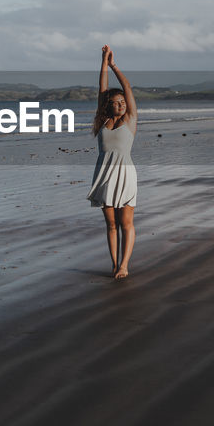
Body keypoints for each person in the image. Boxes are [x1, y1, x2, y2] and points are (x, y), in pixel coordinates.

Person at [87, 45, 137, 279]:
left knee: (125, 221)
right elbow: (102, 89)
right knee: (110, 224)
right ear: (108, 104)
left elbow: (126, 87)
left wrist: (114, 65)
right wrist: (103, 62)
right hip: (105, 175)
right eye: (116, 102)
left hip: (125, 175)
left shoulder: (130, 120)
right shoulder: (103, 120)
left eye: (123, 102)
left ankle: (124, 265)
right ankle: (114, 264)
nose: (121, 104)